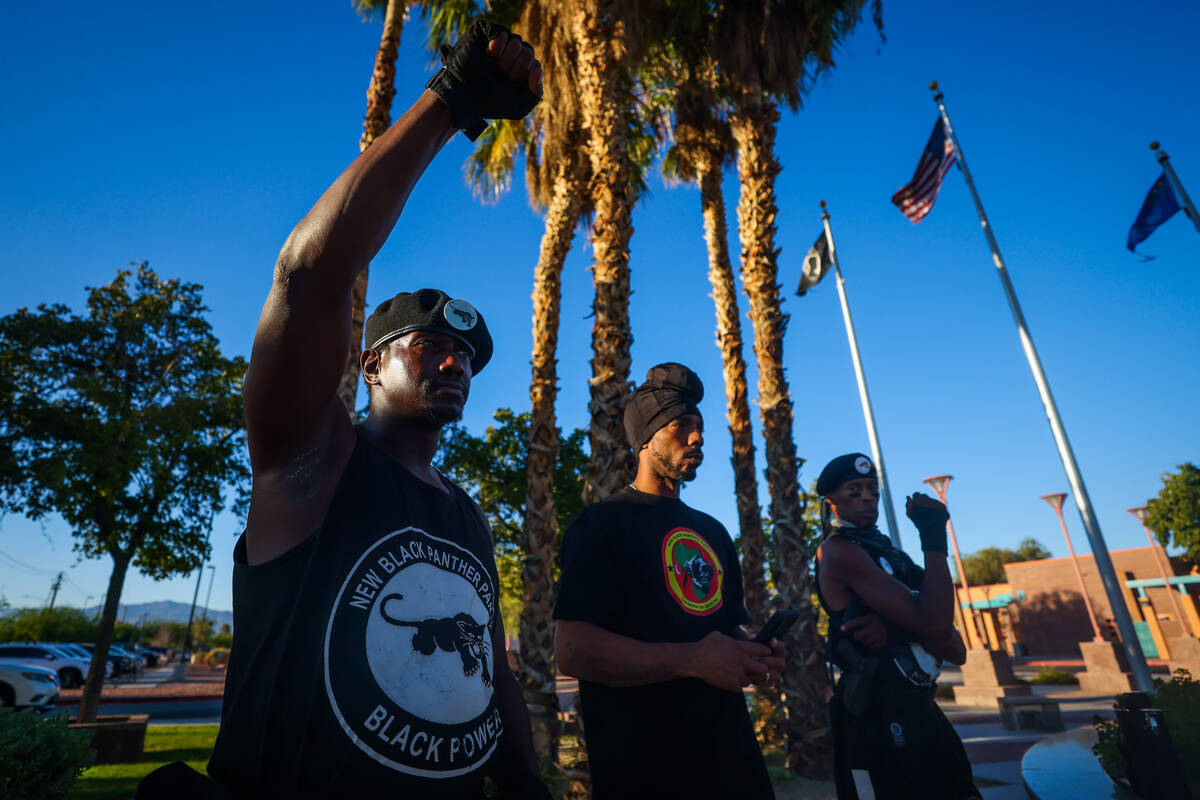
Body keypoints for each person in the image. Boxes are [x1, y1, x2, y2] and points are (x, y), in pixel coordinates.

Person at [199, 20, 547, 799]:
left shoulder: (466, 515)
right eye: (430, 346)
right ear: (369, 364)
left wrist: (525, 778)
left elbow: (492, 663)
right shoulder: (313, 457)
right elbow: (309, 276)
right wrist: (452, 104)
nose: (456, 361)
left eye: (468, 357)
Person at [553, 363, 784, 800]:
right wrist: (692, 660)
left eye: (699, 427)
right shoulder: (602, 525)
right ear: (645, 437)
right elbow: (572, 651)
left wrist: (752, 650)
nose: (697, 438)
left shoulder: (713, 531)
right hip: (645, 770)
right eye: (681, 426)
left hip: (733, 762)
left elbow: (721, 630)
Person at [814, 453, 980, 800]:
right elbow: (935, 625)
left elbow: (955, 647)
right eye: (854, 490)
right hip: (877, 717)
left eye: (872, 490)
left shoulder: (889, 554)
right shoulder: (837, 551)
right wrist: (933, 536)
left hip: (920, 710)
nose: (867, 498)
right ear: (831, 500)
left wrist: (897, 630)